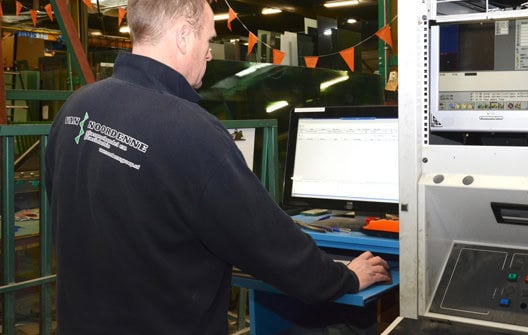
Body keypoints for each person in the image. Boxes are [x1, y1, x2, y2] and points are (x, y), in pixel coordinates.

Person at [44, 1, 391, 334]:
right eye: (208, 39)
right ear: (183, 35)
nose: (210, 52)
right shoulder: (191, 130)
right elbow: (268, 244)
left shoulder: (77, 107)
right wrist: (344, 277)